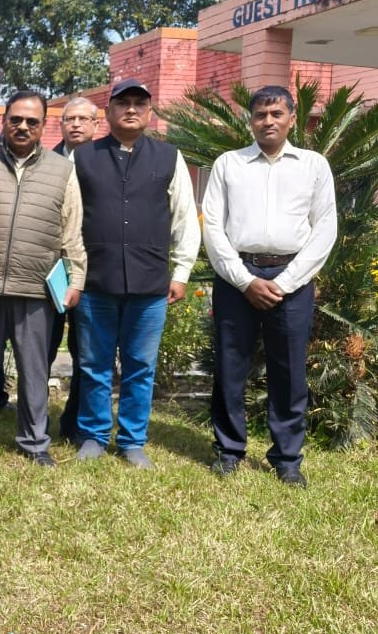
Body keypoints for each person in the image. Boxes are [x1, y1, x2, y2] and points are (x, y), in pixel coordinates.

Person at [202, 85, 336, 487]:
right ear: (251, 120)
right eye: (260, 114)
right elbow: (213, 227)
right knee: (230, 366)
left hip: (292, 279)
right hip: (236, 278)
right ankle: (229, 450)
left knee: (289, 371)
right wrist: (245, 280)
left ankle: (287, 458)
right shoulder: (229, 164)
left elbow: (325, 229)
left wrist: (286, 282)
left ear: (292, 119)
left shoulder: (313, 166)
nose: (268, 121)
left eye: (277, 114)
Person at [72, 78, 200, 468]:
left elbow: (185, 217)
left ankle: (132, 441)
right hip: (95, 281)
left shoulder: (169, 157)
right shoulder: (83, 157)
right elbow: (68, 219)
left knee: (140, 367)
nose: (131, 109)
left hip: (149, 283)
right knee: (93, 365)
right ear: (108, 111)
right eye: (122, 103)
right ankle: (94, 435)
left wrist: (181, 272)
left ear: (150, 112)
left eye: (139, 104)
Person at [0, 91, 86, 466]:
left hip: (35, 286)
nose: (23, 126)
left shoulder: (61, 169)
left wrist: (76, 279)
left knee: (34, 369)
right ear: (4, 121)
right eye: (16, 119)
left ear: (44, 126)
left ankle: (34, 442)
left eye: (32, 121)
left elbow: (71, 229)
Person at [47, 96, 101, 444]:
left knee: (86, 352)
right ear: (61, 124)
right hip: (49, 272)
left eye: (84, 119)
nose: (76, 124)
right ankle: (33, 419)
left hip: (92, 272)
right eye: (70, 119)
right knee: (43, 348)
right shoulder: (45, 162)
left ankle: (76, 423)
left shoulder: (106, 162)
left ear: (97, 125)